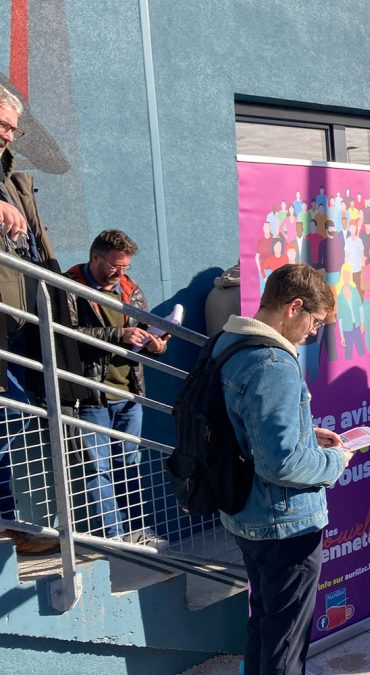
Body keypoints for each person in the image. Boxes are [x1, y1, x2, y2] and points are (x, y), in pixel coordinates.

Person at [216, 264, 356, 674]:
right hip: (283, 523)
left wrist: (306, 432)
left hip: (247, 514)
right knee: (286, 643)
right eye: (315, 322)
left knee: (264, 624)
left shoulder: (228, 343)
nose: (314, 333)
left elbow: (243, 422)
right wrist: (336, 462)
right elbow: (281, 463)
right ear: (294, 307)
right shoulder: (273, 363)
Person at [0, 83, 87, 556]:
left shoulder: (12, 176)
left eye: (14, 128)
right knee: (13, 417)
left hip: (26, 319)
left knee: (28, 420)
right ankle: (17, 523)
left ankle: (27, 525)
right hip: (5, 318)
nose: (9, 137)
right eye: (3, 125)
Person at [65, 230, 169, 546]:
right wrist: (117, 336)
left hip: (129, 392)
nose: (120, 273)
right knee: (99, 469)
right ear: (95, 256)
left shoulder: (130, 290)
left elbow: (143, 331)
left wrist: (157, 344)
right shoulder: (70, 286)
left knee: (128, 464)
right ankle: (115, 535)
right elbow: (68, 334)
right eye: (114, 265)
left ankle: (137, 529)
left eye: (126, 267)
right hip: (92, 392)